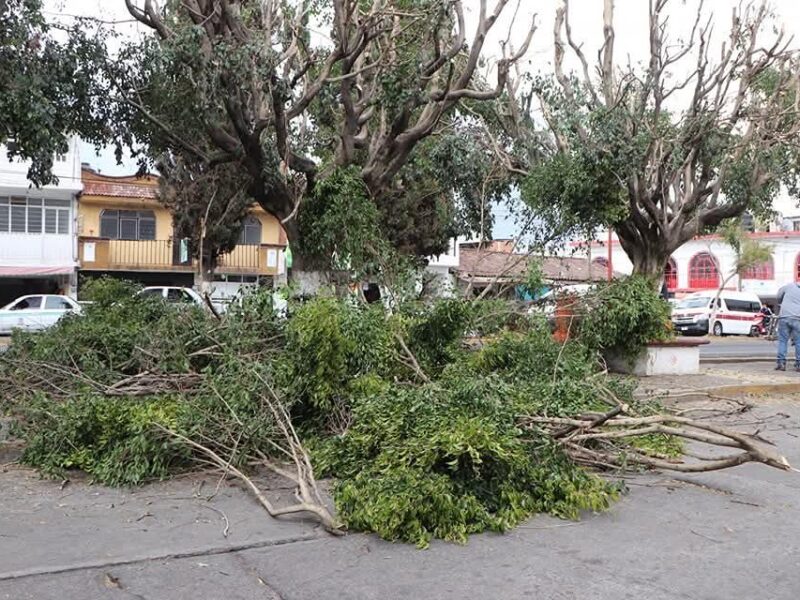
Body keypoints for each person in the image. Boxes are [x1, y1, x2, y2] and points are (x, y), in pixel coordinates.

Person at [775, 283, 800, 370]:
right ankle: (799, 364)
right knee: (798, 342)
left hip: (784, 316)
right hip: (798, 318)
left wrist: (782, 303)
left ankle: (781, 363)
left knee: (782, 341)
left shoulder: (789, 286)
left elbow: (778, 296)